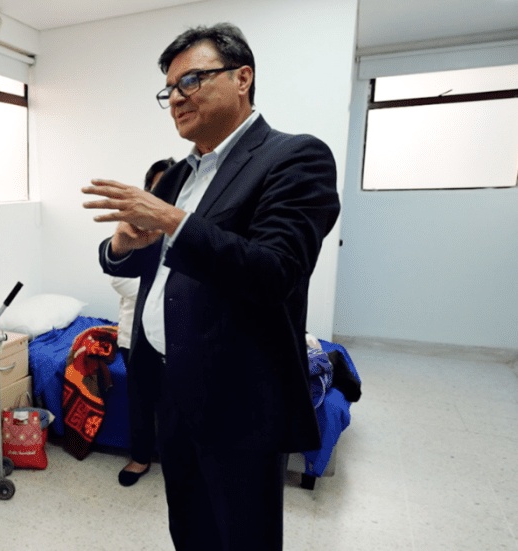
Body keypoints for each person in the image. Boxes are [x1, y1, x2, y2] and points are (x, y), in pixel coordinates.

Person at [81, 23, 340, 551]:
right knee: (190, 528)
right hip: (173, 388)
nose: (177, 98)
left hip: (238, 397)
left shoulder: (294, 158)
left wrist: (173, 221)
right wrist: (124, 246)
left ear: (242, 77)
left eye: (192, 80)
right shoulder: (177, 175)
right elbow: (151, 271)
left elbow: (275, 272)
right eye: (170, 89)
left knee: (243, 535)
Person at [114, 157, 174, 487]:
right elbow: (119, 279)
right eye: (156, 187)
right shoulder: (135, 226)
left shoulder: (189, 227)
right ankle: (140, 458)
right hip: (136, 335)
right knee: (139, 400)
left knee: (173, 403)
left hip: (177, 336)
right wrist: (167, 288)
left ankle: (174, 460)